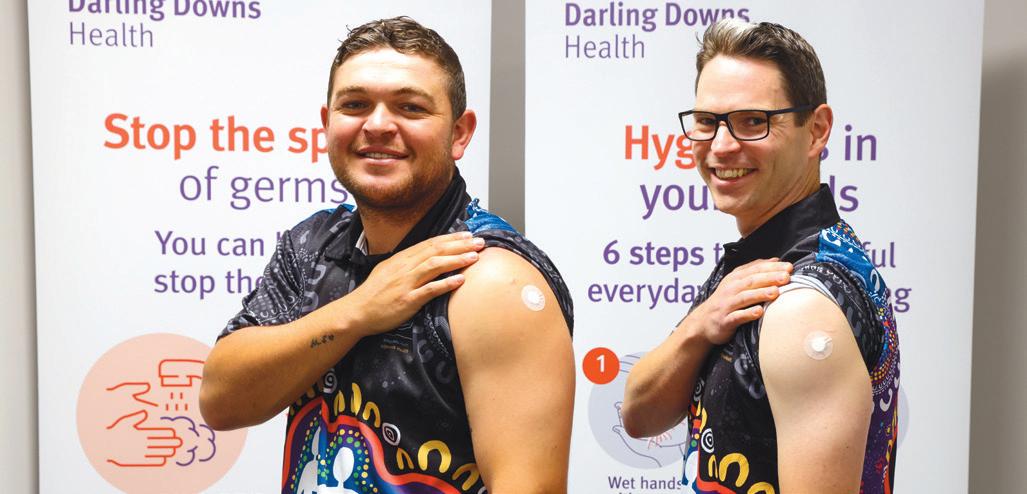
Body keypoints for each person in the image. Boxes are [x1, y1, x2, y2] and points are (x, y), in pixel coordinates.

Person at [199, 17, 575, 494]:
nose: (377, 125)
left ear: (460, 133)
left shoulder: (491, 279)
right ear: (327, 123)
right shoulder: (310, 246)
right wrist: (358, 311)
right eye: (355, 105)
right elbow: (221, 400)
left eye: (410, 107)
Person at [621, 19, 900, 494]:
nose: (722, 146)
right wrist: (699, 326)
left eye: (754, 121)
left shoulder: (802, 308)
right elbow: (639, 415)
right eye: (707, 121)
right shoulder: (755, 265)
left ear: (816, 131)